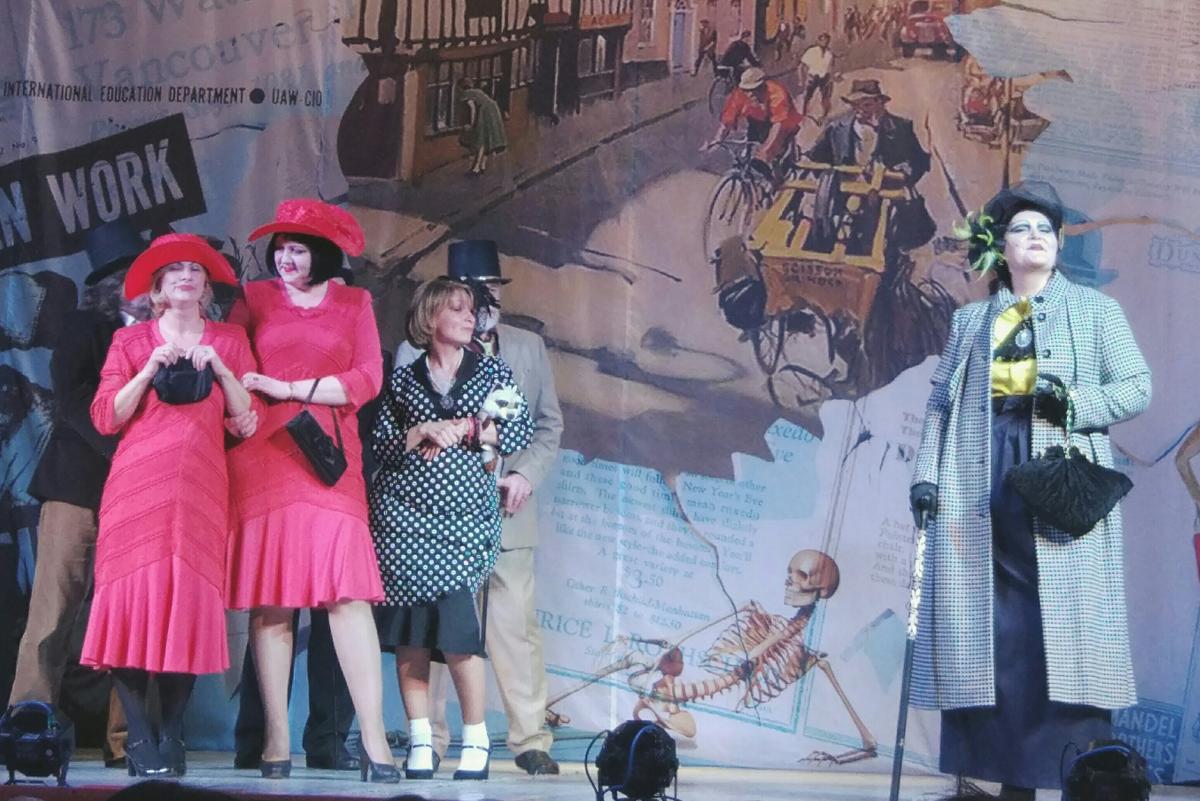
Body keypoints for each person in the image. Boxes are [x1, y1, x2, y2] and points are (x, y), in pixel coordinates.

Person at [909, 181, 1151, 800]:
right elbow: (940, 406)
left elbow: (1136, 387)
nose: (1036, 237)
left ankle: (1072, 771)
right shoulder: (971, 320)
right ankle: (1008, 780)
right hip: (977, 479)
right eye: (1021, 228)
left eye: (1046, 228)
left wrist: (1075, 401)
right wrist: (927, 476)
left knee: (1058, 630)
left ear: (1060, 243)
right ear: (1001, 247)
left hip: (1057, 483)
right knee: (993, 631)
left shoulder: (1096, 312)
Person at [224, 198, 397, 783]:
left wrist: (291, 387)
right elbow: (234, 373)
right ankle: (276, 739)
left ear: (321, 254)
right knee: (273, 599)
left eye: (297, 249)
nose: (286, 259)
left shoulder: (354, 303)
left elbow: (367, 378)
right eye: (280, 249)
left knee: (347, 595)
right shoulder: (254, 299)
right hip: (264, 457)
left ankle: (374, 740)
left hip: (328, 460)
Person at [81, 233, 257, 777]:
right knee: (132, 608)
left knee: (187, 608)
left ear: (206, 286)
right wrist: (147, 369)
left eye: (195, 270)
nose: (185, 276)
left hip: (201, 492)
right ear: (157, 288)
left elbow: (246, 420)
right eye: (174, 270)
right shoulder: (130, 341)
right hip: (137, 491)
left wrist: (221, 369)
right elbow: (106, 417)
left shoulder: (229, 340)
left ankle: (171, 733)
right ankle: (139, 736)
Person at [396, 241, 564, 775]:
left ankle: (530, 738)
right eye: (473, 291)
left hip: (506, 514)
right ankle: (433, 738)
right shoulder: (412, 358)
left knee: (514, 626)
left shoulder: (526, 348)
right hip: (438, 520)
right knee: (434, 629)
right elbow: (400, 433)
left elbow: (547, 425)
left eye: (492, 289)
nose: (484, 301)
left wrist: (523, 474)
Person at [370, 277, 533, 781]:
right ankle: (420, 740)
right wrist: (419, 430)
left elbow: (519, 429)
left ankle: (476, 740)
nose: (468, 318)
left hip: (463, 523)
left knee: (460, 632)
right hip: (404, 521)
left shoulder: (491, 372)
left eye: (471, 311)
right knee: (411, 635)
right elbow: (381, 445)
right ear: (431, 317)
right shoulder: (404, 379)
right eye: (457, 310)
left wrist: (467, 427)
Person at [9, 222, 148, 769]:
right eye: (135, 275)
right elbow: (72, 400)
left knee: (132, 614)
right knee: (54, 607)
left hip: (137, 492)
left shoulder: (165, 334)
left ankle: (128, 737)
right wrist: (123, 450)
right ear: (113, 283)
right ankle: (29, 722)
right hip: (78, 485)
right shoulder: (84, 327)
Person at [806, 78, 934, 256]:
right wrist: (832, 179)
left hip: (884, 193)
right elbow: (817, 158)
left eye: (866, 105)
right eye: (855, 105)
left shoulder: (900, 127)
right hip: (845, 191)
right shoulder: (836, 126)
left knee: (891, 238)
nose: (860, 111)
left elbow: (917, 162)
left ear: (880, 103)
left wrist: (899, 173)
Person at [705, 67, 804, 184]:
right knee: (749, 157)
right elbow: (728, 120)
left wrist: (766, 149)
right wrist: (717, 140)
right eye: (747, 90)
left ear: (763, 86)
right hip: (757, 122)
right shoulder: (740, 94)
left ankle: (777, 180)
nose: (750, 94)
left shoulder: (777, 93)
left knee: (772, 155)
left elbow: (778, 125)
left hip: (783, 124)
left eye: (754, 89)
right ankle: (756, 188)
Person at [457, 78, 507, 176]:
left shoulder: (466, 94)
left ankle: (476, 168)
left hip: (485, 113)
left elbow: (472, 108)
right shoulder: (477, 91)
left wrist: (471, 124)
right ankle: (482, 166)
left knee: (480, 140)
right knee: (486, 139)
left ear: (461, 87)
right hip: (493, 111)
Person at [798, 33, 834, 120]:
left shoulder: (829, 54)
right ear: (819, 41)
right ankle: (804, 114)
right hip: (813, 77)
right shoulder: (811, 51)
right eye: (823, 40)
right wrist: (801, 80)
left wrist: (831, 78)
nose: (825, 43)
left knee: (825, 98)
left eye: (827, 41)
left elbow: (831, 67)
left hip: (825, 78)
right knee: (807, 97)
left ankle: (824, 116)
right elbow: (801, 66)